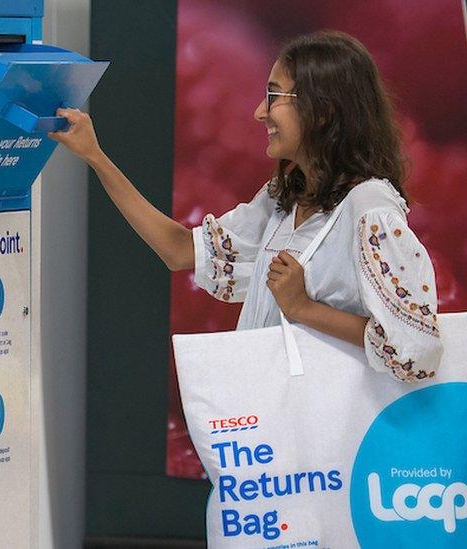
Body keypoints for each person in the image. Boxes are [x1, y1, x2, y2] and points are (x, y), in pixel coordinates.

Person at [49, 30, 442, 382]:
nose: (259, 112)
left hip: (325, 448)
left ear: (323, 112)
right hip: (268, 426)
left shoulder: (369, 209)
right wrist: (95, 157)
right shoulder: (282, 198)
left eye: (274, 96)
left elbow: (416, 352)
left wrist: (303, 307)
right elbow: (178, 249)